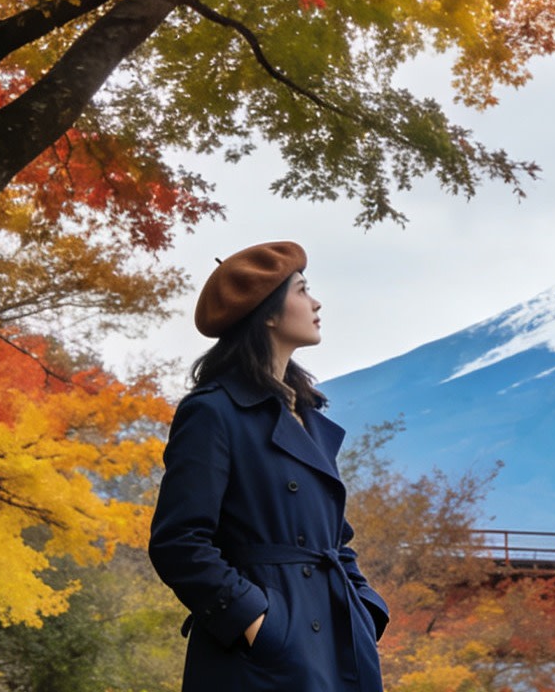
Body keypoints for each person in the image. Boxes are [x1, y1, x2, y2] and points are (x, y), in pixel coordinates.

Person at [149, 241, 389, 692]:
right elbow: (178, 542)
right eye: (302, 290)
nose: (316, 303)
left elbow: (334, 539)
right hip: (261, 660)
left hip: (335, 642)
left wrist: (364, 608)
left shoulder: (306, 416)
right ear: (268, 314)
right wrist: (257, 623)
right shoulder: (214, 412)